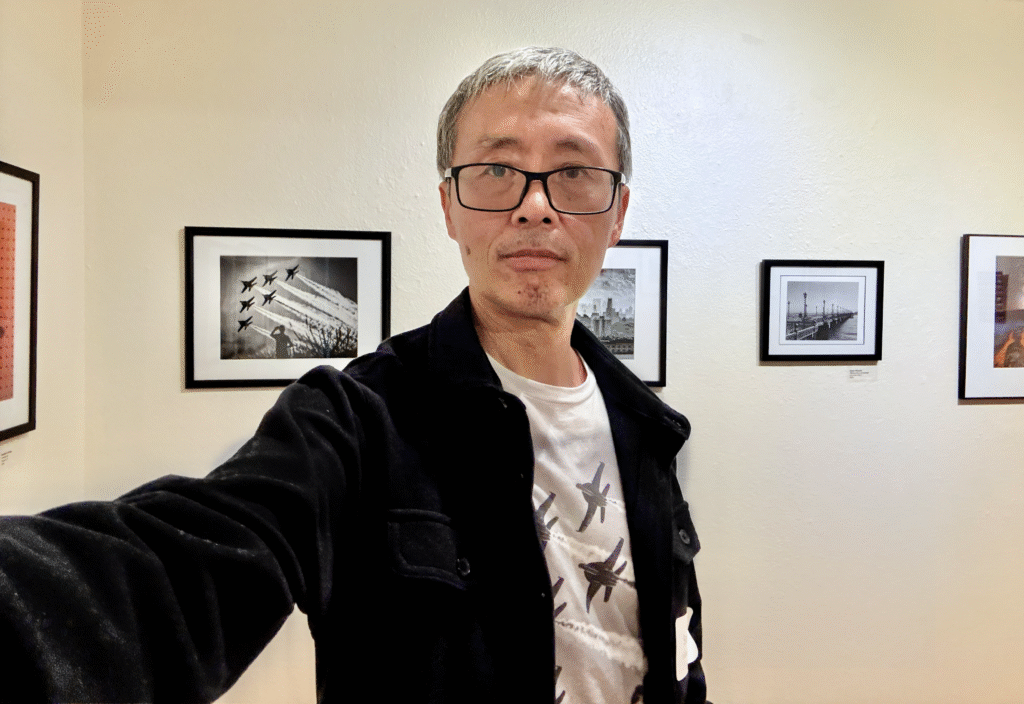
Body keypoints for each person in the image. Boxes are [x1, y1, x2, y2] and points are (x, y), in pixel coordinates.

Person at [0, 47, 705, 704]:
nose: (534, 203)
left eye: (574, 171)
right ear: (449, 208)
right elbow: (169, 578)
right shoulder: (354, 420)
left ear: (616, 215)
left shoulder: (647, 430)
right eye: (496, 170)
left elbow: (672, 649)